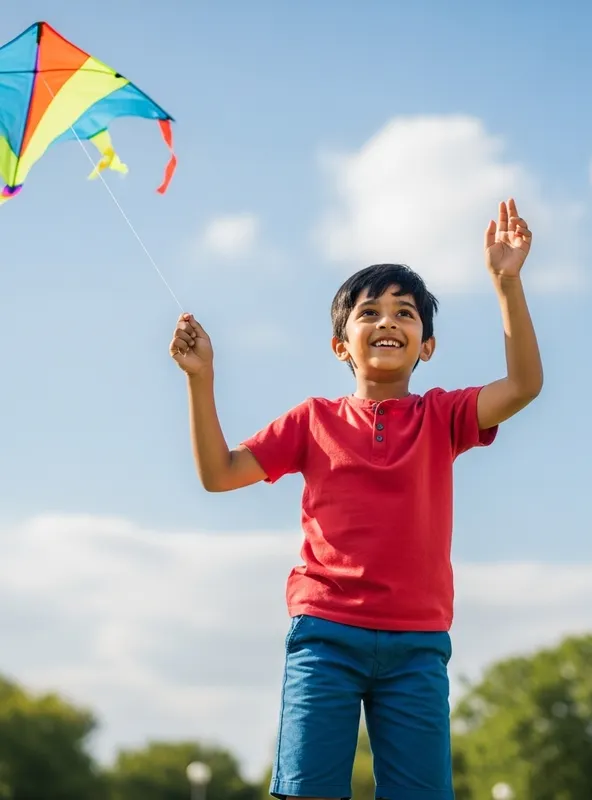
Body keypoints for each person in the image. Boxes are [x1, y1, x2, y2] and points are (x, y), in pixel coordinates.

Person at [169, 198, 543, 800]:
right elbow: (219, 472)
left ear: (427, 345)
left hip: (417, 645)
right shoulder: (311, 420)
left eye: (406, 313)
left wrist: (506, 282)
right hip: (325, 636)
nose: (388, 321)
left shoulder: (443, 416)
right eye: (369, 313)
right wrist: (201, 380)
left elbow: (524, 385)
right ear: (341, 345)